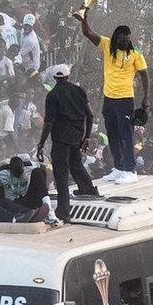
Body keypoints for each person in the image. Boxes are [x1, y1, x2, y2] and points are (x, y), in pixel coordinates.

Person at [74, 7, 149, 184]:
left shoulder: (135, 54)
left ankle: (130, 170)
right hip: (109, 99)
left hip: (125, 100)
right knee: (112, 133)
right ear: (116, 38)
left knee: (126, 134)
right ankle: (119, 167)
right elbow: (88, 33)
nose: (125, 42)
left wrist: (146, 98)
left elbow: (144, 75)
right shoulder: (107, 45)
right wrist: (84, 19)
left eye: (128, 39)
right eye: (123, 39)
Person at [36, 64, 98, 223]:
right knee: (76, 164)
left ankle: (64, 211)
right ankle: (89, 190)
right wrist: (86, 137)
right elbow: (90, 115)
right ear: (67, 76)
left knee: (61, 174)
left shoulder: (53, 94)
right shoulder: (79, 91)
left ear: (55, 78)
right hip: (77, 138)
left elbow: (49, 122)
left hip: (61, 140)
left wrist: (41, 144)